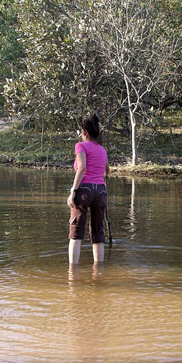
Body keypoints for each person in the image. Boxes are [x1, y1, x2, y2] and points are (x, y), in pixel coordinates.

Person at [67, 113, 109, 265]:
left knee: (76, 232)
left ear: (84, 132)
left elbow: (82, 167)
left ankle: (73, 274)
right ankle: (99, 272)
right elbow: (106, 171)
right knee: (98, 233)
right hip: (101, 191)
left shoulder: (81, 146)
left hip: (84, 190)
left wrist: (73, 191)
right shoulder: (102, 150)